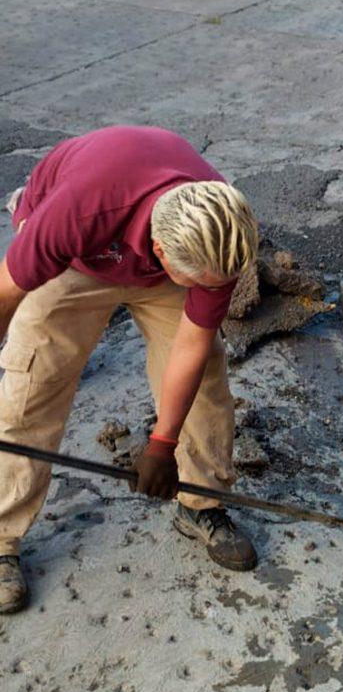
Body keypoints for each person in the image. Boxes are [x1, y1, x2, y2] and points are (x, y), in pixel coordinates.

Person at [0, 126, 260, 615]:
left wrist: (162, 445)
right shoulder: (77, 212)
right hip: (78, 258)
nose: (215, 289)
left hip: (163, 259)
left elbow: (189, 347)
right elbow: (5, 297)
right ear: (160, 252)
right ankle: (0, 538)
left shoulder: (219, 234)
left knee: (205, 377)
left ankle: (200, 503)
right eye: (203, 283)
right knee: (31, 383)